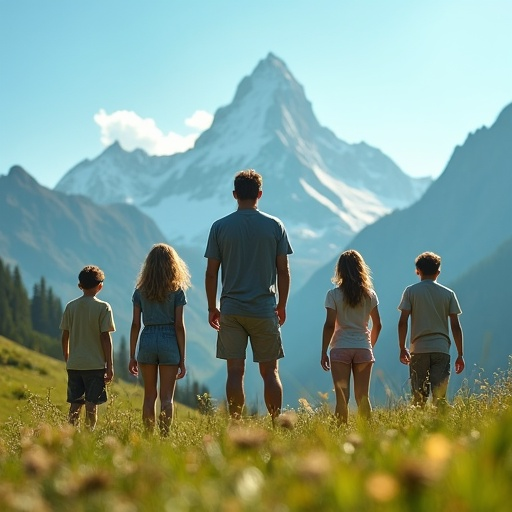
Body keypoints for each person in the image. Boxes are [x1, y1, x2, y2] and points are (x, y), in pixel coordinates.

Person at [204, 169, 293, 420]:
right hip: (264, 308)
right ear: (260, 194)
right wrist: (282, 304)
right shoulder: (275, 226)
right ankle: (277, 423)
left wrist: (212, 307)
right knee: (270, 372)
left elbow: (211, 273)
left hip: (231, 309)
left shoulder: (219, 227)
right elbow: (283, 271)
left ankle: (236, 424)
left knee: (234, 371)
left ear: (235, 194)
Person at [129, 243, 190, 435]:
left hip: (147, 339)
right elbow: (179, 326)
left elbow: (135, 324)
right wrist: (182, 358)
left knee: (149, 396)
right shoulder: (177, 291)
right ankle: (164, 438)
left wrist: (132, 355)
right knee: (167, 398)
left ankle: (148, 438)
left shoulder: (140, 291)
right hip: (169, 340)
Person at [321, 250, 382, 424]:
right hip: (363, 346)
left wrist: (324, 351)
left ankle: (341, 432)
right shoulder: (370, 295)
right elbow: (378, 324)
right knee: (363, 397)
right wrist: (369, 345)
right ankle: (368, 433)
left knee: (342, 398)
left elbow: (329, 325)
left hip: (340, 348)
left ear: (340, 270)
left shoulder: (333, 295)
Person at [398, 251, 464, 406]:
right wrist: (460, 354)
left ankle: (417, 429)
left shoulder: (410, 291)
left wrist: (402, 347)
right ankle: (440, 427)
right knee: (439, 397)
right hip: (441, 349)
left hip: (418, 349)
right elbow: (455, 326)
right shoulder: (448, 294)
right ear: (438, 272)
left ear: (417, 271)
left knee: (418, 397)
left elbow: (402, 322)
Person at [60, 265, 115, 430]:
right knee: (92, 405)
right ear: (100, 286)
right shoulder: (103, 307)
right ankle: (88, 438)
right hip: (95, 366)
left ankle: (70, 437)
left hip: (75, 364)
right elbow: (106, 338)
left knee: (75, 405)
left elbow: (65, 336)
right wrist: (110, 366)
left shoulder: (71, 306)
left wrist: (68, 358)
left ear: (80, 286)